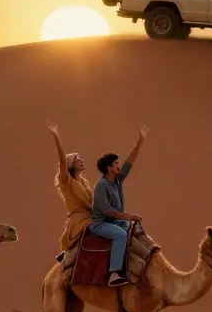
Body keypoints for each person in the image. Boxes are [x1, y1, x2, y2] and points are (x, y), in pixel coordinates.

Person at [89, 125, 150, 287]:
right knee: (121, 235)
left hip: (114, 222)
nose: (119, 165)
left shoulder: (117, 180)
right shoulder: (101, 186)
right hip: (100, 224)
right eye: (116, 163)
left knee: (134, 230)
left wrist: (140, 140)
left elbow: (129, 163)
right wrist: (128, 216)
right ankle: (114, 273)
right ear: (109, 168)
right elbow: (107, 210)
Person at [44, 119, 94, 262]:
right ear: (72, 164)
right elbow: (62, 161)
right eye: (78, 159)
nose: (81, 160)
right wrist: (56, 136)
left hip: (91, 216)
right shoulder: (67, 181)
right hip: (80, 221)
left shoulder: (84, 183)